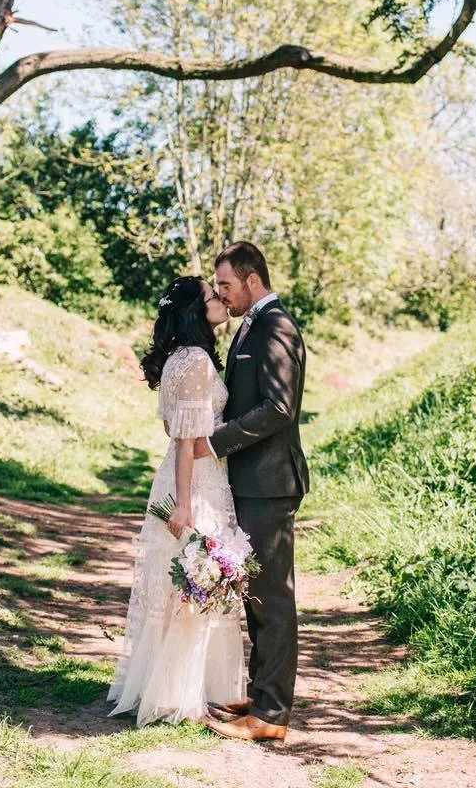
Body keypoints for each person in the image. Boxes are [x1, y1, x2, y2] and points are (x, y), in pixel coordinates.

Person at [107, 275, 245, 726]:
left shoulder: (178, 358)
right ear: (194, 310)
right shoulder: (196, 361)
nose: (220, 299)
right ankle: (181, 693)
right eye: (211, 295)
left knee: (180, 586)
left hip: (181, 475)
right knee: (193, 580)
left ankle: (173, 686)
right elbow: (185, 439)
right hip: (194, 482)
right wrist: (185, 505)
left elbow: (173, 429)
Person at [198, 241, 308, 744]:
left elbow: (280, 408)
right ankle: (260, 694)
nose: (222, 294)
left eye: (225, 284)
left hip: (269, 483)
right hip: (250, 481)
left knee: (273, 600)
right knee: (255, 595)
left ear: (252, 280)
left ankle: (272, 714)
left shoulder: (276, 326)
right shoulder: (252, 325)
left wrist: (215, 441)